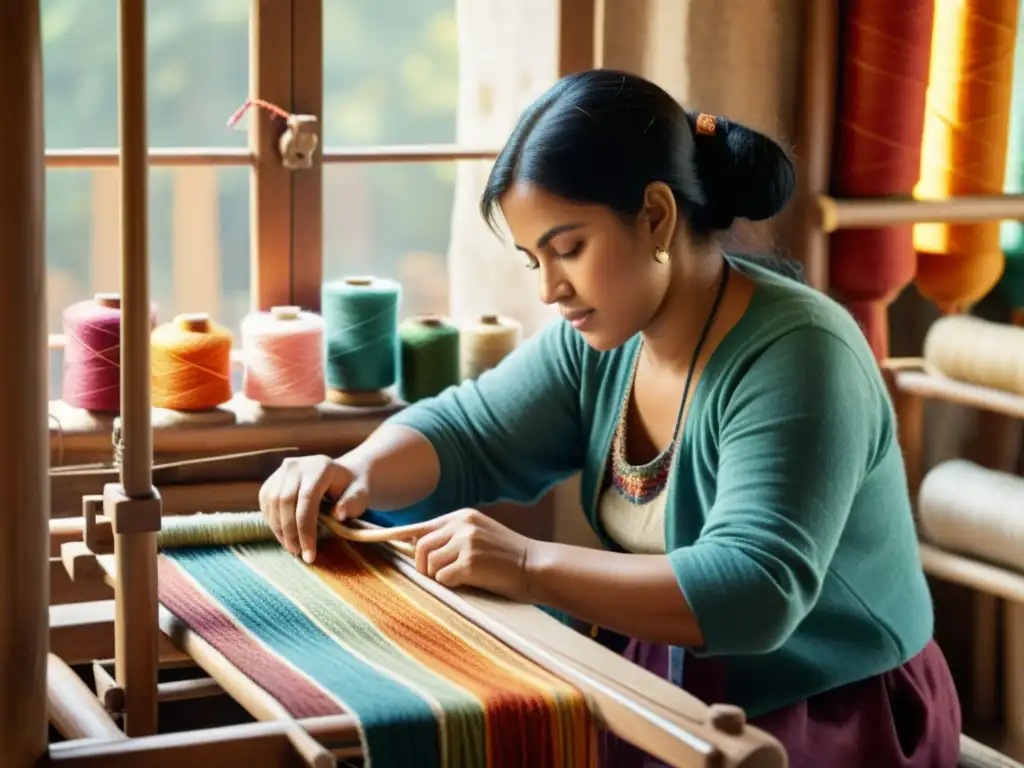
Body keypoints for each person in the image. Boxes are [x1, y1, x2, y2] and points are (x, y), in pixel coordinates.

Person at [258, 69, 961, 767]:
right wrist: (352, 472)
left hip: (835, 712)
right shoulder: (601, 341)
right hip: (678, 686)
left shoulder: (802, 353)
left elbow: (756, 589)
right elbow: (470, 432)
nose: (549, 288)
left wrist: (529, 565)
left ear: (656, 216)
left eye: (569, 249)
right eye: (535, 259)